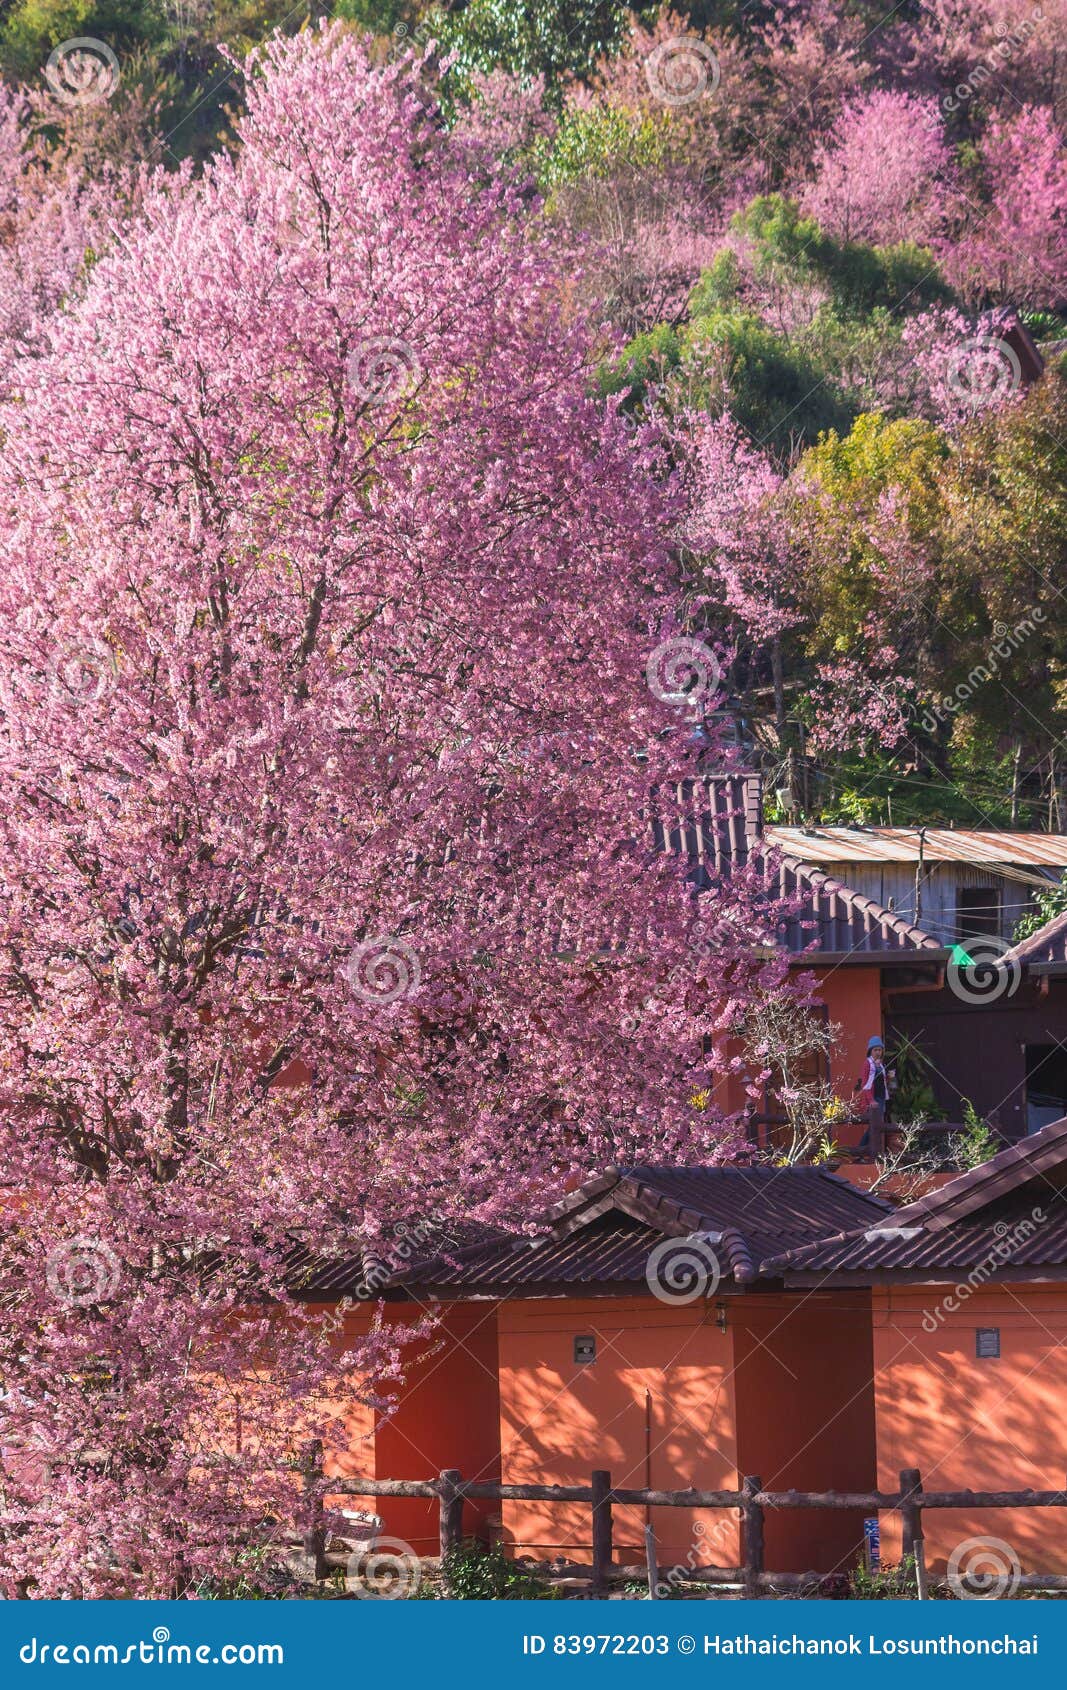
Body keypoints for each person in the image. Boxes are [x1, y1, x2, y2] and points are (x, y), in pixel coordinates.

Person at [855, 1035, 890, 1156]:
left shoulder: (881, 1065)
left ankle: (864, 1153)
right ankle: (860, 1152)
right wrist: (871, 1100)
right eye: (875, 1050)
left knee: (876, 1127)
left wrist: (889, 1077)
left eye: (879, 1050)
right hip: (873, 1099)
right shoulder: (867, 1064)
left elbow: (882, 1082)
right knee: (873, 1127)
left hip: (881, 1098)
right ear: (870, 1051)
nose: (878, 1052)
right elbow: (865, 1084)